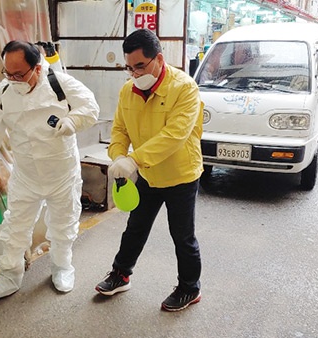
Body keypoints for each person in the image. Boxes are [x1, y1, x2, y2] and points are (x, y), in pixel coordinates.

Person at [0, 40, 100, 301]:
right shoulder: (4, 92)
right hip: (26, 175)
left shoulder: (60, 83)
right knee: (16, 226)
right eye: (7, 73)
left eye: (18, 74)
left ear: (37, 68)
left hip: (62, 173)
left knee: (63, 223)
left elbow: (91, 107)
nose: (13, 79)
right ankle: (9, 275)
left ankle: (62, 266)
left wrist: (72, 121)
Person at [95, 29, 204, 312]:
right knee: (135, 228)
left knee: (182, 236)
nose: (134, 73)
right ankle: (121, 274)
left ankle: (189, 288)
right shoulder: (127, 91)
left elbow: (175, 135)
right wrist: (118, 155)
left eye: (140, 66)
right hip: (148, 173)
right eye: (129, 68)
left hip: (181, 174)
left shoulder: (184, 88)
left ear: (158, 59)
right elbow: (119, 129)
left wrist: (134, 160)